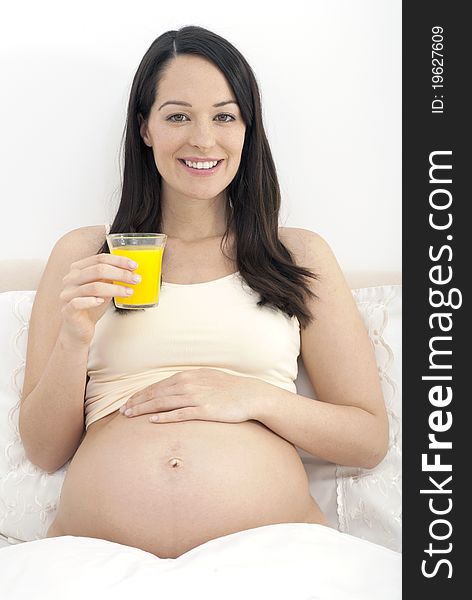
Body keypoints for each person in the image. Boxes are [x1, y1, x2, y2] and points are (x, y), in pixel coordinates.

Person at [19, 25, 389, 559]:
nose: (202, 139)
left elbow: (367, 440)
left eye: (224, 115)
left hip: (274, 555)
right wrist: (74, 337)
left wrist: (252, 397)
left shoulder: (296, 255)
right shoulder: (86, 253)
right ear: (144, 127)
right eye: (177, 116)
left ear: (246, 129)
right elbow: (45, 450)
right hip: (96, 558)